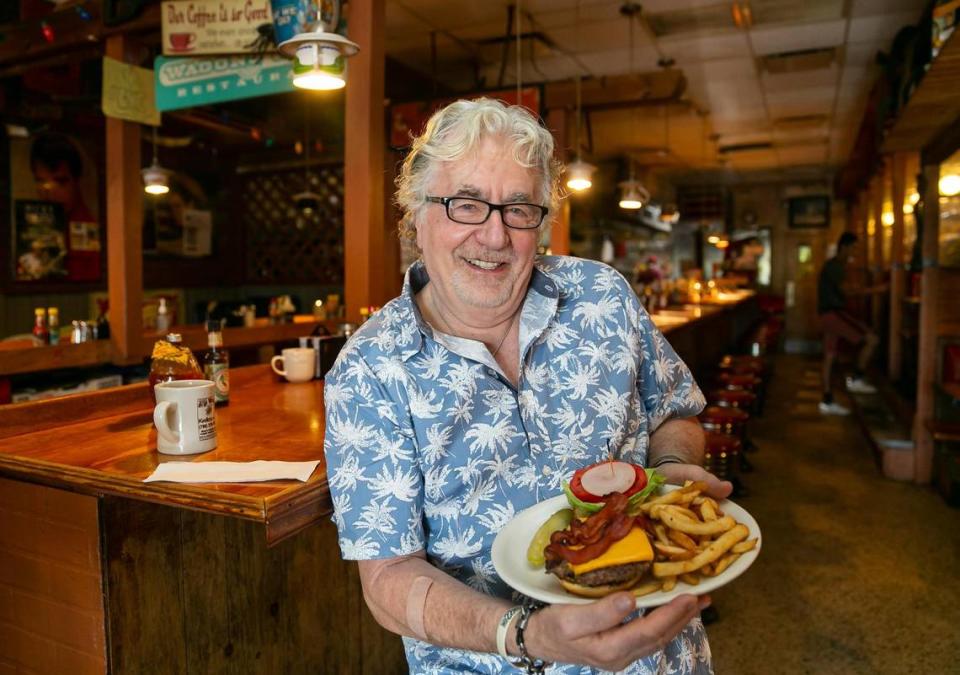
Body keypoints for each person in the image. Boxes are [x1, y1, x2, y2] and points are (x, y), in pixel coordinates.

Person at [323, 99, 731, 674]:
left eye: (518, 209)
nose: (494, 235)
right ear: (415, 214)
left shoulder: (603, 297)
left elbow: (674, 413)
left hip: (660, 658)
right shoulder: (369, 371)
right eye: (465, 204)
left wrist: (672, 472)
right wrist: (525, 634)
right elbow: (387, 577)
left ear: (541, 222)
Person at [817, 231, 880, 415]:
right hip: (834, 313)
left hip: (826, 315)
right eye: (854, 248)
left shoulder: (836, 266)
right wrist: (878, 290)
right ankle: (856, 379)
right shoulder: (835, 266)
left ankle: (827, 401)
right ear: (844, 247)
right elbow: (848, 292)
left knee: (829, 357)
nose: (856, 252)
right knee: (871, 339)